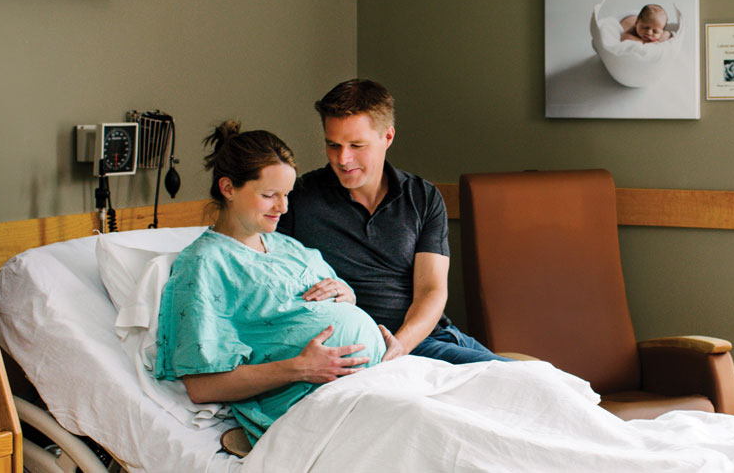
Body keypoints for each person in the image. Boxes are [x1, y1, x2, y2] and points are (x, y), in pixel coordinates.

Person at [153, 120, 396, 445]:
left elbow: (325, 311)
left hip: (377, 376)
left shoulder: (288, 246)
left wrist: (347, 297)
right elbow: (202, 386)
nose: (282, 207)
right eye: (269, 195)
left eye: (286, 195)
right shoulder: (204, 264)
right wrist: (301, 368)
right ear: (228, 189)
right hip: (309, 402)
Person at [277, 79, 508, 365]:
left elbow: (431, 290)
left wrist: (399, 348)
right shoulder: (297, 198)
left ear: (387, 137)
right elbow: (272, 277)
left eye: (356, 145)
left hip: (424, 340)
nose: (343, 158)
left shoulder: (423, 196)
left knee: (541, 385)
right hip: (355, 348)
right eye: (333, 145)